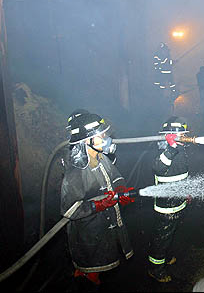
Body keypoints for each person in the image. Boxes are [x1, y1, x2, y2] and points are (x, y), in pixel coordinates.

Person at [61, 112, 135, 289]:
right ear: (87, 141)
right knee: (91, 276)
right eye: (101, 135)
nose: (106, 138)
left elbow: (115, 176)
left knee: (107, 268)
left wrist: (120, 188)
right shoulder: (76, 173)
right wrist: (98, 205)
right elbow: (69, 210)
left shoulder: (101, 158)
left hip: (106, 227)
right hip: (90, 234)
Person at [147, 116, 192, 283]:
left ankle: (165, 256)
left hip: (179, 202)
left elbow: (184, 174)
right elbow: (158, 168)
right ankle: (155, 269)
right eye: (183, 134)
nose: (186, 137)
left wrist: (187, 191)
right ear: (173, 135)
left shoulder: (181, 149)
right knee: (161, 239)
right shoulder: (165, 151)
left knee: (170, 234)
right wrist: (171, 147)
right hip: (166, 208)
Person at [153, 42, 177, 114]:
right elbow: (161, 64)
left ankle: (173, 93)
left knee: (172, 84)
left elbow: (168, 63)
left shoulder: (166, 55)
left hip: (168, 73)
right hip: (161, 74)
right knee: (161, 86)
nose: (166, 51)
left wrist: (173, 62)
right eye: (165, 50)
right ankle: (161, 96)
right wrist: (169, 62)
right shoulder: (157, 56)